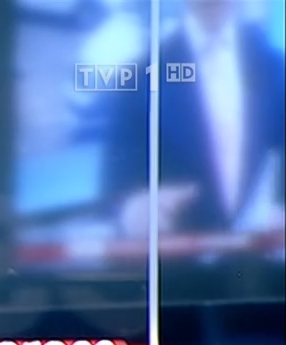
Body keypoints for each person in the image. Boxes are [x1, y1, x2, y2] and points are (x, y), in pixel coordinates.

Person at [102, 0, 285, 237]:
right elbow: (117, 187)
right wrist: (132, 210)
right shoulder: (140, 78)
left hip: (263, 257)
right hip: (178, 256)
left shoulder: (274, 67)